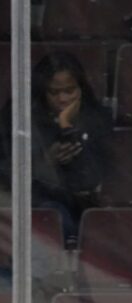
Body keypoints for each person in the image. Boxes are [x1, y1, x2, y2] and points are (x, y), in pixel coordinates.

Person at [0, 51, 113, 244]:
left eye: (69, 91)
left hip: (88, 206)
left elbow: (98, 176)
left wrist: (67, 126)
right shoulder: (20, 118)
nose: (62, 99)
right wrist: (45, 162)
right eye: (54, 92)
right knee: (53, 215)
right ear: (42, 91)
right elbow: (6, 174)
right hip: (38, 204)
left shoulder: (97, 118)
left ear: (81, 89)